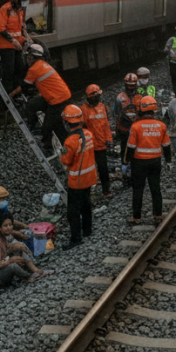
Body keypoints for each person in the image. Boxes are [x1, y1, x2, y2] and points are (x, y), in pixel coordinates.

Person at [9, 44, 72, 151]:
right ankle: (62, 140)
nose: (27, 59)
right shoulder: (42, 64)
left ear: (33, 57)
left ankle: (48, 146)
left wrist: (11, 94)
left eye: (29, 56)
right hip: (58, 96)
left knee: (48, 126)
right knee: (33, 105)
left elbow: (25, 86)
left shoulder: (34, 69)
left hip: (58, 100)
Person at [124, 95, 172, 224]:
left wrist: (126, 161)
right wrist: (168, 160)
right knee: (155, 188)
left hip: (139, 162)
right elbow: (167, 145)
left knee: (138, 189)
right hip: (155, 162)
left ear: (141, 110)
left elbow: (131, 147)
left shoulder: (136, 126)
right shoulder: (161, 126)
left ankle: (136, 217)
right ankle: (157, 215)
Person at [60, 104, 97, 249]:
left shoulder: (70, 141)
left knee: (73, 212)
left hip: (77, 181)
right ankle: (87, 230)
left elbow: (66, 161)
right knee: (86, 205)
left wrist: (61, 154)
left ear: (67, 122)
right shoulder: (88, 134)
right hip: (90, 177)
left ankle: (76, 238)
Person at [0, 216, 51, 288]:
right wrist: (11, 260)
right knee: (12, 265)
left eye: (10, 225)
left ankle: (35, 270)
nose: (9, 228)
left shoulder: (4, 236)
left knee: (19, 247)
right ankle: (29, 276)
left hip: (1, 267)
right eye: (5, 226)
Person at [81, 84, 115, 200]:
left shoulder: (103, 108)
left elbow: (107, 126)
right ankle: (88, 192)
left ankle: (106, 191)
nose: (96, 98)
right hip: (89, 146)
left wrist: (109, 139)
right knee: (88, 170)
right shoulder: (83, 110)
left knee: (103, 169)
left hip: (100, 145)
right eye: (94, 95)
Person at [0, 0, 32, 91]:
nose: (25, 1)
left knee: (20, 69)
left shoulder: (19, 10)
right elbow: (1, 29)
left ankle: (17, 92)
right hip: (6, 45)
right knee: (9, 71)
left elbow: (20, 28)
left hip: (18, 45)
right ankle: (8, 93)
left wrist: (26, 38)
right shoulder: (5, 9)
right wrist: (13, 41)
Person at [111, 73, 141, 165]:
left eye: (132, 86)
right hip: (124, 129)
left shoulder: (140, 97)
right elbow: (115, 113)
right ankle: (125, 166)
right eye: (129, 86)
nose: (130, 88)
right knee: (124, 149)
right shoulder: (120, 97)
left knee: (137, 149)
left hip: (137, 128)